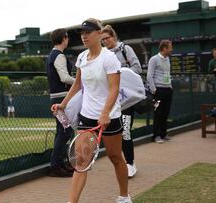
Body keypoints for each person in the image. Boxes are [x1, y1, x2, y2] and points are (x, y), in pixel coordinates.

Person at [51, 18, 131, 203]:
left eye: (88, 32)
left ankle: (124, 196)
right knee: (81, 162)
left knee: (115, 157)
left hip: (110, 117)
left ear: (99, 34)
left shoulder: (109, 58)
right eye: (82, 33)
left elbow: (114, 89)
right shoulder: (81, 57)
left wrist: (105, 113)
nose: (84, 36)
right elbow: (78, 84)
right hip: (86, 117)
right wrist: (63, 103)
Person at [101, 25, 141, 178]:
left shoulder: (126, 49)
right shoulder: (103, 54)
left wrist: (121, 74)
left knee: (125, 131)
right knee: (114, 134)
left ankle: (130, 163)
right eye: (102, 39)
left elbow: (137, 68)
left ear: (114, 36)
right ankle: (121, 163)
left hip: (126, 98)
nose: (105, 41)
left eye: (107, 38)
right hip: (110, 100)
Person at [46, 28, 75, 177]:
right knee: (65, 131)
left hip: (57, 98)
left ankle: (60, 163)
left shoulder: (53, 55)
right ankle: (55, 166)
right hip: (61, 99)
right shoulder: (59, 56)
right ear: (64, 38)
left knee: (62, 131)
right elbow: (64, 78)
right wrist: (79, 82)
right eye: (67, 37)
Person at [147, 40, 173, 144]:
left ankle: (163, 134)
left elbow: (167, 73)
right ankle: (156, 136)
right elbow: (149, 75)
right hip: (158, 90)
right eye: (170, 47)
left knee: (165, 113)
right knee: (158, 113)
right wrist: (154, 89)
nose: (172, 49)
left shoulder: (167, 59)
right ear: (164, 48)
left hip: (168, 90)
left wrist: (170, 86)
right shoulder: (154, 59)